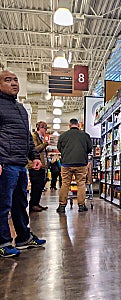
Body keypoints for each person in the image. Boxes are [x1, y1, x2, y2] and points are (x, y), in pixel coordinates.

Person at [0, 69, 46, 257]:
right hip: (5, 162)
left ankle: (23, 238)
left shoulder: (20, 109)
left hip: (20, 164)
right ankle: (2, 242)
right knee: (3, 205)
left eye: (16, 80)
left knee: (20, 203)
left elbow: (26, 137)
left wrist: (34, 156)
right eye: (8, 80)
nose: (14, 83)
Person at [57, 118, 92, 213]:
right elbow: (89, 149)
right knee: (81, 184)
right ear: (78, 125)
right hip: (81, 163)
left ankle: (62, 206)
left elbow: (59, 148)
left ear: (69, 125)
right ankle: (81, 205)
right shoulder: (85, 135)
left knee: (65, 184)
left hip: (66, 163)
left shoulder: (63, 136)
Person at [26, 121, 49, 213]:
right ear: (41, 128)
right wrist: (45, 144)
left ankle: (36, 203)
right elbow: (34, 149)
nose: (45, 131)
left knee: (39, 186)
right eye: (45, 128)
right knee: (36, 186)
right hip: (35, 166)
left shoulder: (39, 138)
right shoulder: (34, 137)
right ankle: (33, 205)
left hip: (40, 166)